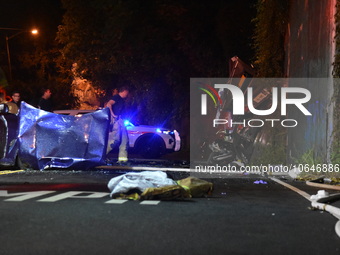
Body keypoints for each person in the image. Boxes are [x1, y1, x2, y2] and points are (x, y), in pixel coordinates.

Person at [106, 86, 129, 164]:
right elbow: (108, 104)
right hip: (117, 121)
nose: (127, 94)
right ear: (124, 91)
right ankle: (101, 155)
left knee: (124, 140)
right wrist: (113, 115)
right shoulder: (116, 97)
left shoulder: (122, 100)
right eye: (127, 92)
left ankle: (122, 159)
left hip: (121, 121)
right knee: (114, 140)